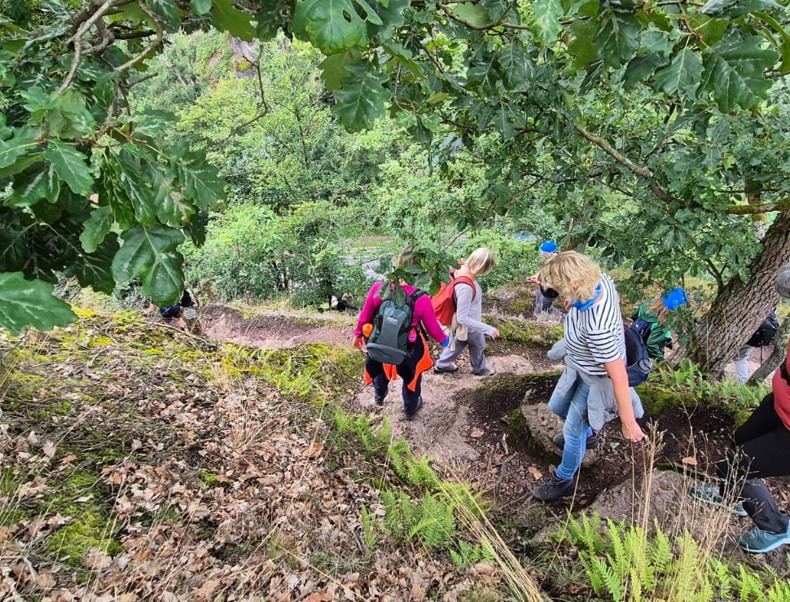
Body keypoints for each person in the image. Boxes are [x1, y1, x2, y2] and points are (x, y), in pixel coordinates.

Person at [532, 251, 645, 502]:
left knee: (572, 432)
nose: (553, 292)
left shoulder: (598, 329)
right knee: (557, 407)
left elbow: (618, 377)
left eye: (558, 288)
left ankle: (564, 478)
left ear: (572, 286)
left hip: (595, 378)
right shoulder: (598, 280)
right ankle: (589, 435)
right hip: (579, 364)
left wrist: (628, 423)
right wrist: (567, 295)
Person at [691, 266, 790, 553]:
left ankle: (775, 527)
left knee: (734, 465)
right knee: (741, 440)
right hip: (779, 404)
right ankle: (733, 495)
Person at [353, 248, 450, 420]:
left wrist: (358, 334)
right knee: (411, 376)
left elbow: (365, 316)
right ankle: (410, 408)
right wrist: (444, 341)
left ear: (398, 264)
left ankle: (379, 396)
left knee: (380, 370)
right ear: (420, 271)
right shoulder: (421, 298)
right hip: (408, 348)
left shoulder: (379, 288)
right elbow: (432, 327)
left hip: (380, 341)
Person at [433, 248, 500, 377]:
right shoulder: (466, 287)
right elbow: (462, 318)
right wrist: (488, 329)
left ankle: (442, 365)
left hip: (469, 323)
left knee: (460, 341)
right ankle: (479, 369)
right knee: (478, 345)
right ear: (483, 267)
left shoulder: (459, 267)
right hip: (471, 324)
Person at [630, 288, 687, 360]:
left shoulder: (648, 304)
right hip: (640, 351)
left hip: (630, 337)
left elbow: (633, 315)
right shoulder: (662, 322)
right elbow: (651, 344)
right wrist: (661, 360)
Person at [733, 309, 779, 384]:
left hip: (749, 338)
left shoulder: (757, 309)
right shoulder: (772, 314)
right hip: (755, 340)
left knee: (740, 358)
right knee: (741, 358)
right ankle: (741, 382)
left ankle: (741, 382)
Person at [528, 240, 562, 318]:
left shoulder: (558, 266)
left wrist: (538, 282)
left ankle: (561, 317)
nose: (541, 255)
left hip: (549, 293)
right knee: (538, 303)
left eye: (543, 253)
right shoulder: (549, 259)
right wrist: (537, 275)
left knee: (542, 309)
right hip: (542, 288)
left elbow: (555, 285)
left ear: (550, 253)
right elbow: (543, 269)